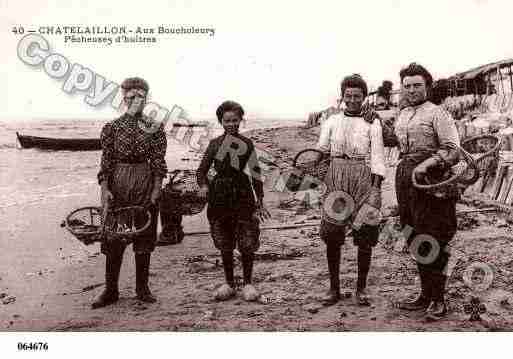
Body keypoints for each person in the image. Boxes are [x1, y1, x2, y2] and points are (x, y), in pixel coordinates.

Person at [390, 63, 460, 321]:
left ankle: (439, 300)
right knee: (414, 235)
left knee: (434, 237)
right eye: (407, 86)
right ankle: (425, 295)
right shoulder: (404, 114)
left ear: (427, 86)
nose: (411, 90)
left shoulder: (438, 113)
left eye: (417, 85)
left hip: (432, 182)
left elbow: (452, 149)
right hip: (406, 180)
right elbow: (396, 141)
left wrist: (426, 164)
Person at [93, 77, 167, 308]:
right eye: (130, 96)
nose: (135, 100)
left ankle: (142, 288)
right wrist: (105, 190)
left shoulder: (155, 127)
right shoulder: (112, 128)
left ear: (147, 98)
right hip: (119, 184)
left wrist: (156, 188)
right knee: (114, 238)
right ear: (123, 98)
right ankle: (111, 290)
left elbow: (158, 161)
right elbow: (106, 164)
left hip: (145, 182)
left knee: (144, 236)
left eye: (140, 96)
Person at [317, 74, 386, 306]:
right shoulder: (331, 121)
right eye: (349, 96)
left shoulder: (372, 122)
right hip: (335, 175)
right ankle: (333, 289)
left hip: (362, 177)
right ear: (342, 97)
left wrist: (375, 190)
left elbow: (377, 158)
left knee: (365, 234)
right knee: (333, 236)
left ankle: (361, 288)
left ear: (364, 97)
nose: (353, 100)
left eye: (357, 96)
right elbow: (321, 151)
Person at [196, 101, 269, 302]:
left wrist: (260, 200)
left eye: (235, 120)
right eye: (227, 120)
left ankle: (248, 283)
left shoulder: (247, 144)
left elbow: (255, 173)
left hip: (243, 195)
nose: (231, 124)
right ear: (221, 121)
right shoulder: (215, 144)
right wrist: (203, 187)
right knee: (224, 242)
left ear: (240, 121)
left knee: (247, 241)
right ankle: (228, 283)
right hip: (219, 196)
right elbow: (201, 172)